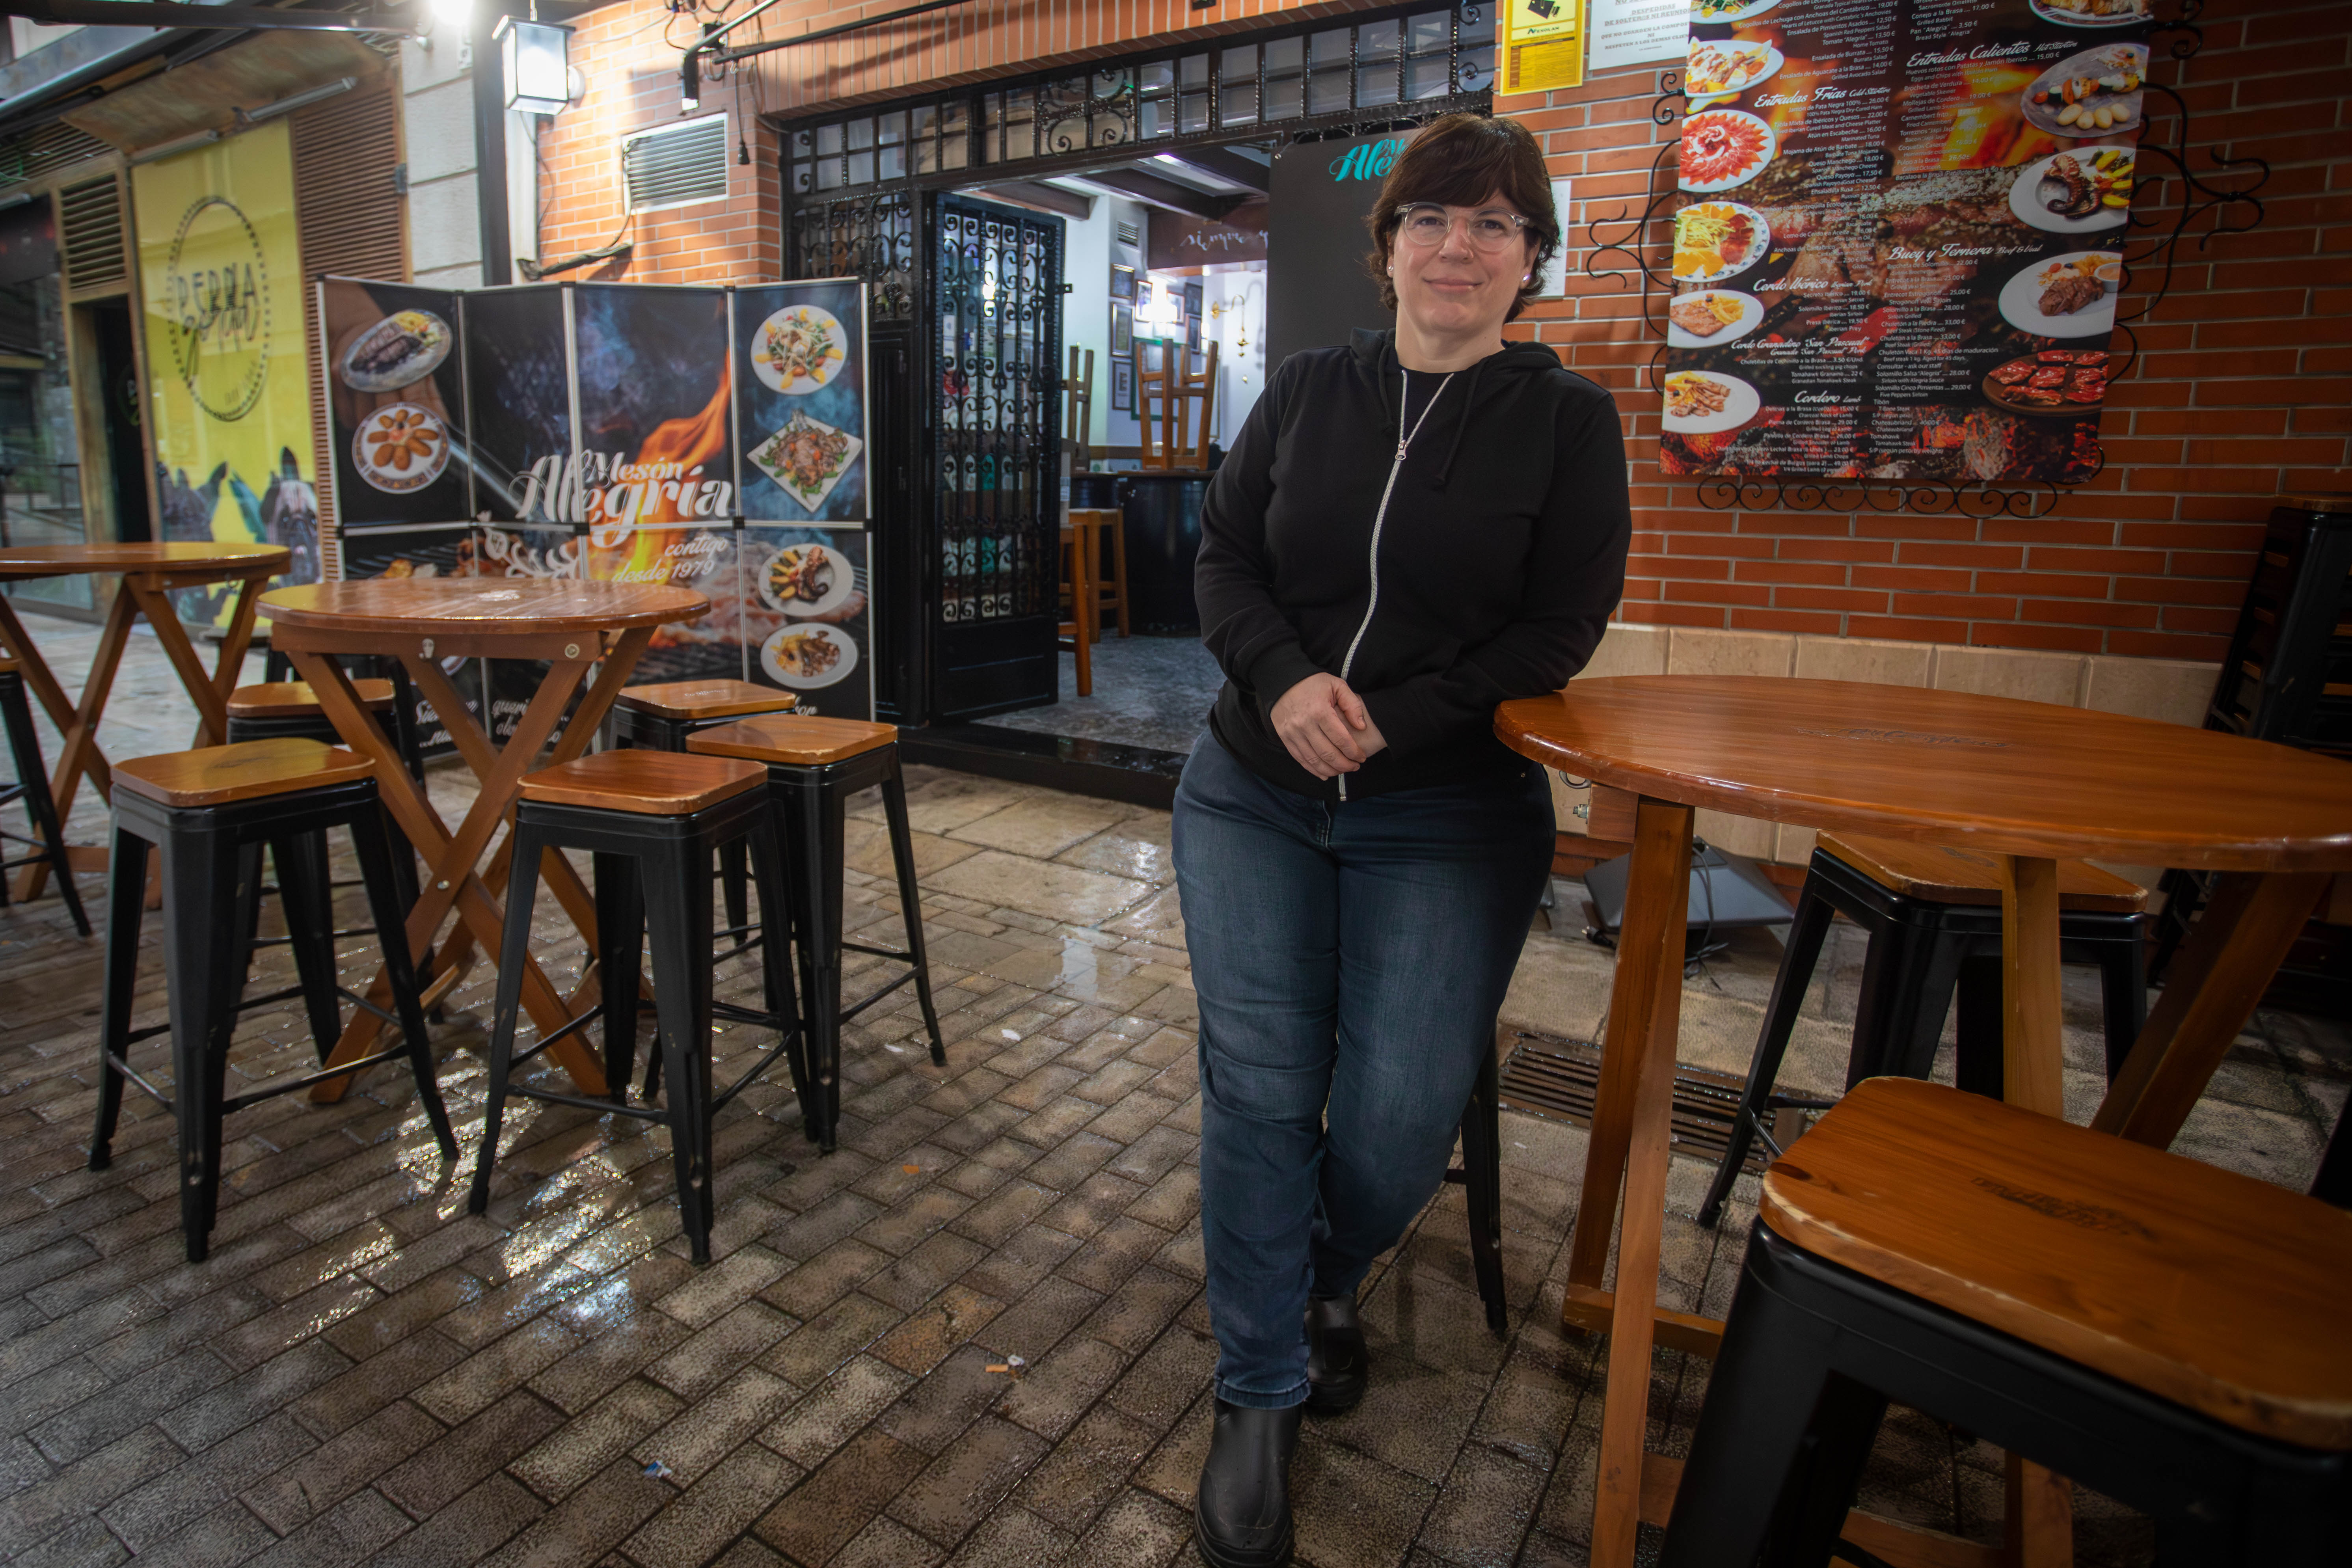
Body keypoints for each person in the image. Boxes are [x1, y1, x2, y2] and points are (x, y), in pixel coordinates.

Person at [1172, 112, 1633, 1568]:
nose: (1458, 245)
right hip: (1251, 786)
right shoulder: (1306, 389)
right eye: (1432, 218)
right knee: (1258, 1083)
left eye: (1494, 224)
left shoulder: (1567, 423)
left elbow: (1560, 628)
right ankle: (1262, 1379)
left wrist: (1390, 712)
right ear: (1386, 251)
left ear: (1533, 261)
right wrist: (1283, 679)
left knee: (1393, 1117)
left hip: (1440, 806)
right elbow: (1226, 555)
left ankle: (1319, 1270)